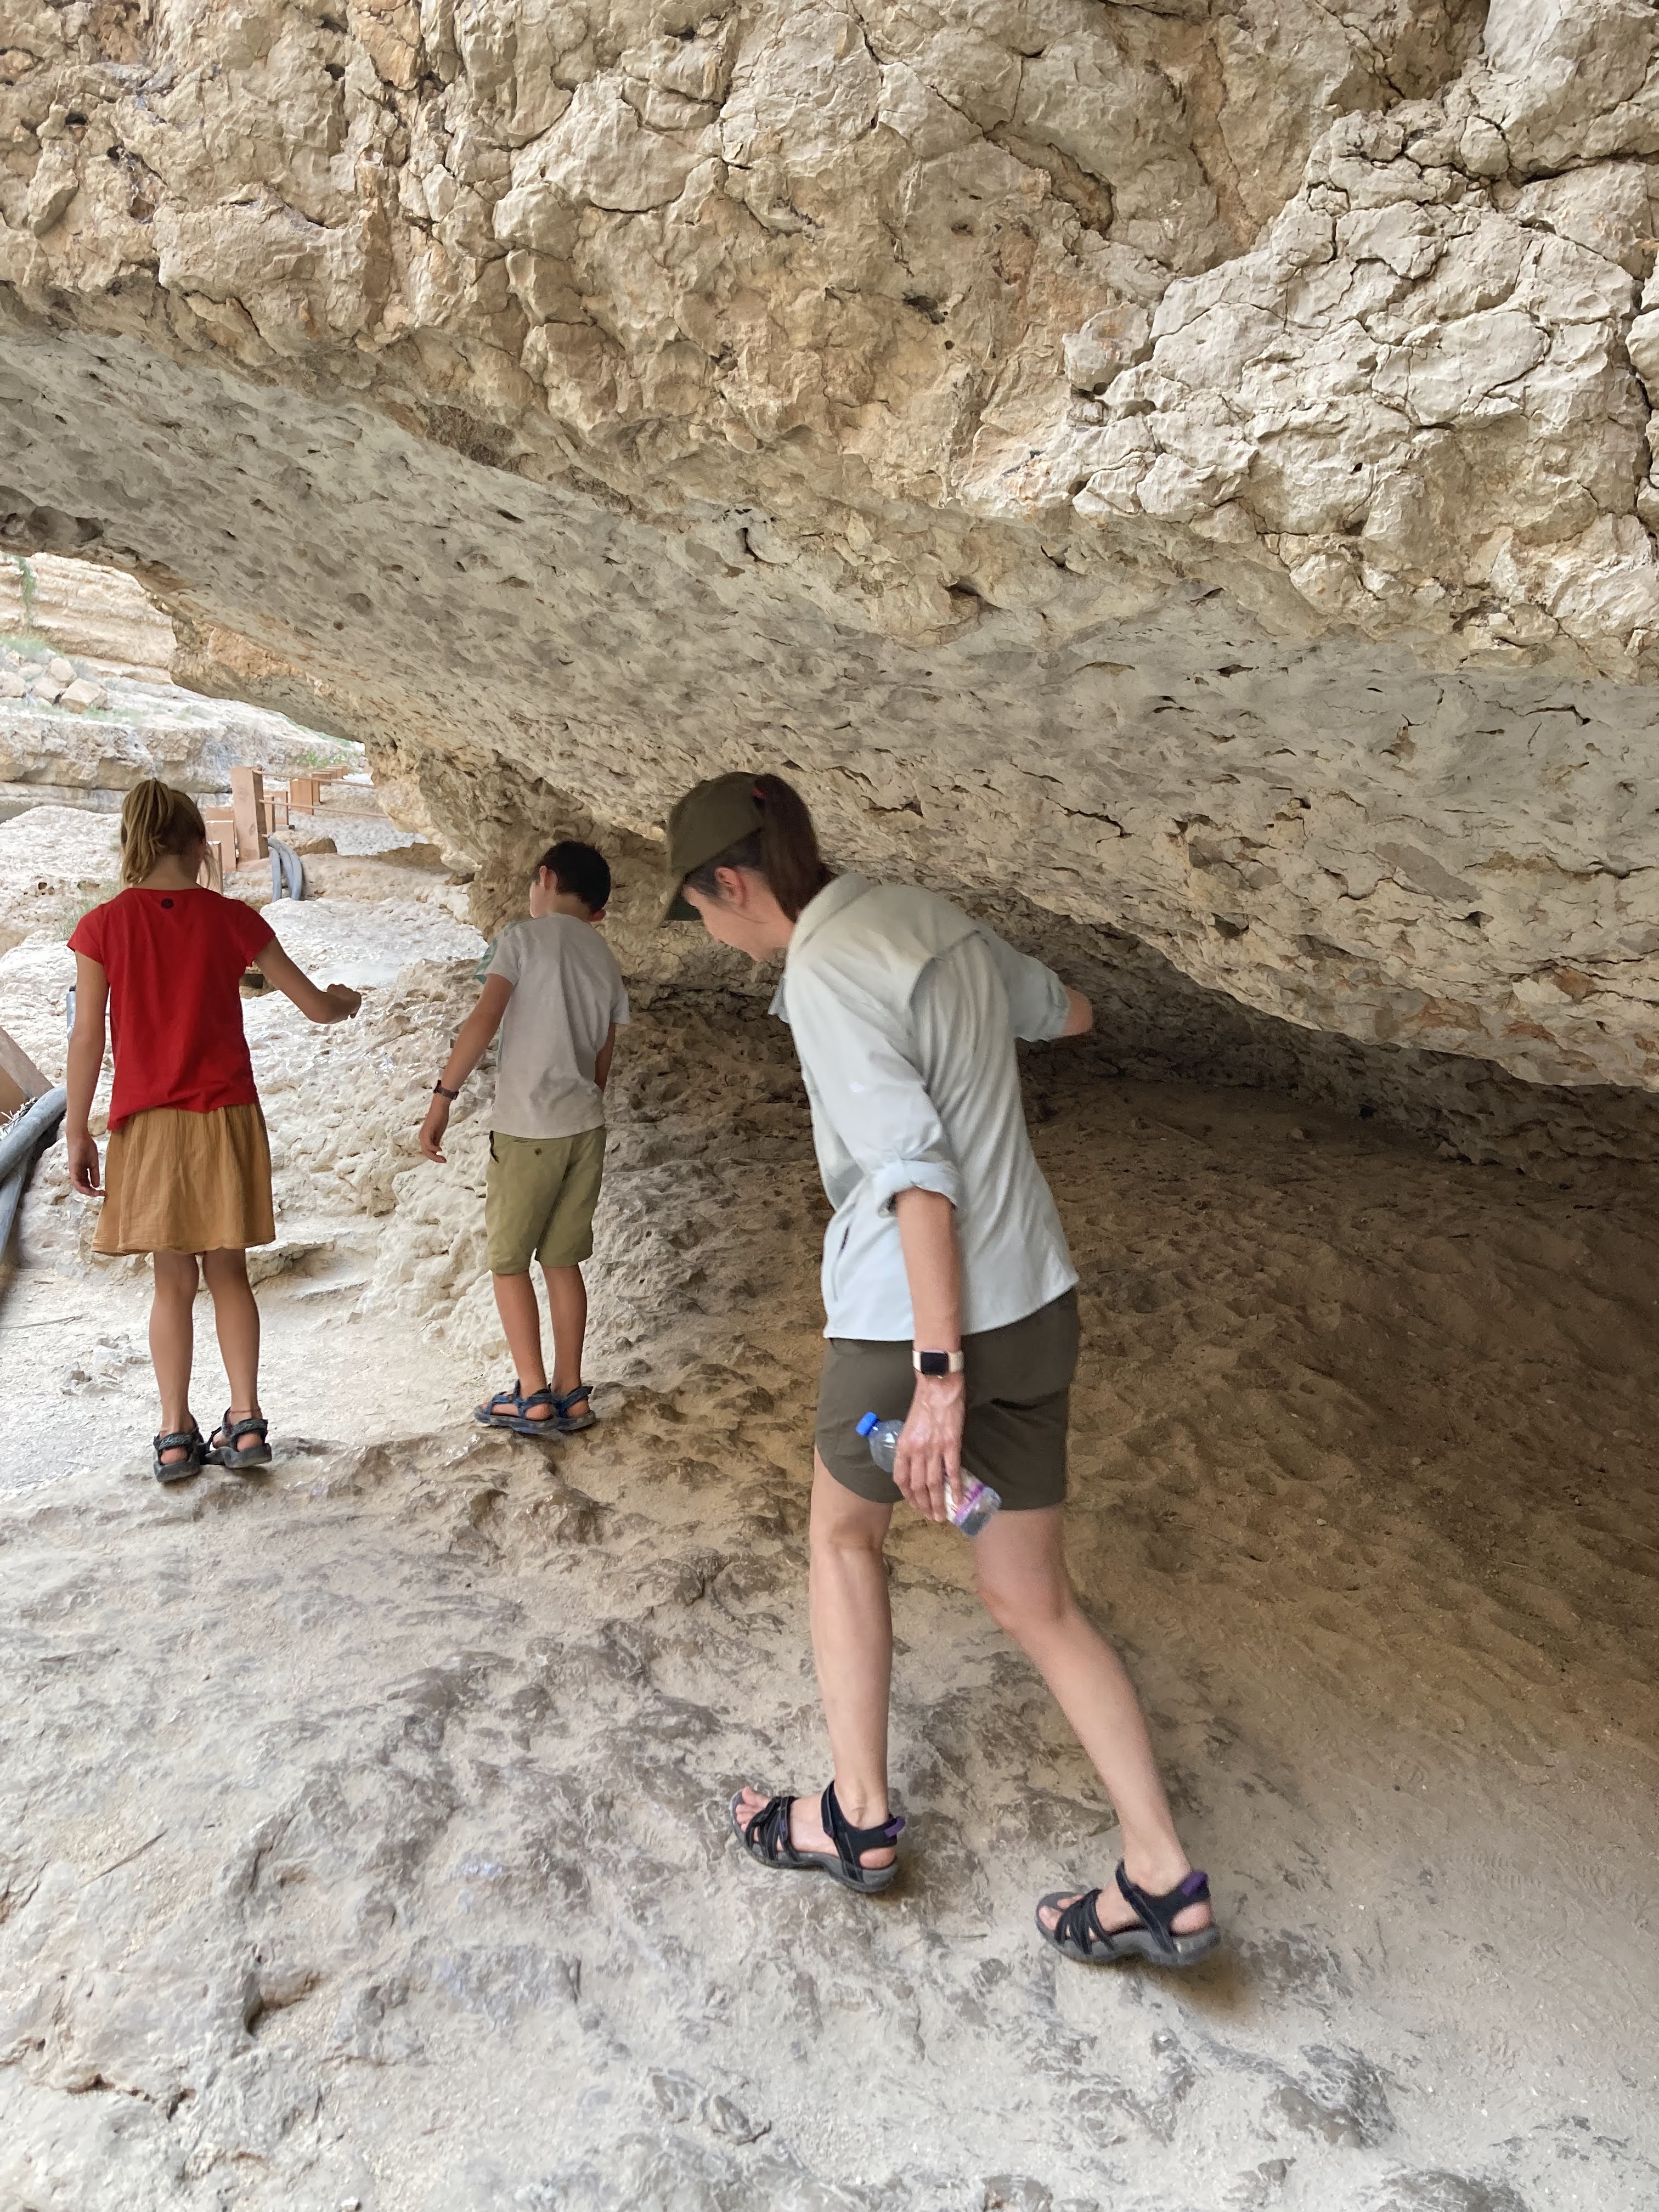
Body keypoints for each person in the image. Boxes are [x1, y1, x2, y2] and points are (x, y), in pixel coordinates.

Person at [662, 772, 1220, 1970]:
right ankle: (1160, 1876)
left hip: (908, 1327)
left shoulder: (824, 968)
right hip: (1038, 1305)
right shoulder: (930, 917)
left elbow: (915, 1175)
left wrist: (936, 1376)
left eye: (700, 909)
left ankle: (855, 1815)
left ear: (733, 883)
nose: (711, 934)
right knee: (1033, 1598)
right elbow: (1068, 1012)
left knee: (841, 1539)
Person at [65, 778, 362, 1482]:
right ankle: (247, 1422)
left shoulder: (102, 926)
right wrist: (346, 1001)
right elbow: (315, 1006)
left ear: (133, 844)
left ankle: (175, 1433)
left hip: (148, 1122)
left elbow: (87, 1038)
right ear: (200, 845)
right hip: (226, 1115)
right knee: (229, 1272)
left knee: (172, 1281)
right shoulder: (233, 919)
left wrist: (77, 1129)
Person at [419, 839, 628, 1437]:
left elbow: (485, 1018)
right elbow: (603, 1058)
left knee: (509, 1263)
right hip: (584, 1129)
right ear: (598, 913)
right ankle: (571, 1392)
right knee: (563, 1261)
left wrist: (443, 1097)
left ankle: (532, 1394)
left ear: (545, 878)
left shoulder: (521, 939)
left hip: (527, 1129)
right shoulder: (605, 958)